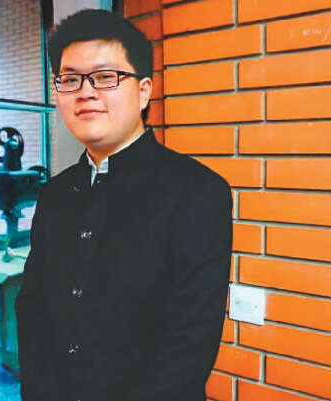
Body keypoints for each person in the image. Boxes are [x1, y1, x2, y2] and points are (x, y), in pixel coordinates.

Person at [14, 9, 233, 401]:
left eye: (104, 77)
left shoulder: (198, 192)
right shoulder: (54, 194)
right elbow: (32, 313)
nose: (85, 92)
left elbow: (189, 344)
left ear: (144, 90)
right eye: (70, 79)